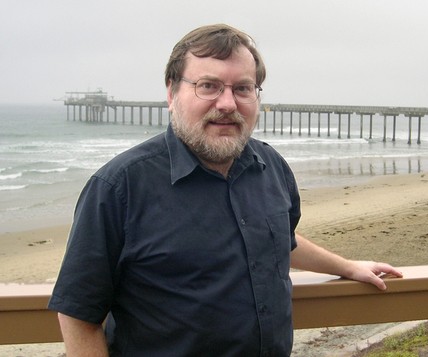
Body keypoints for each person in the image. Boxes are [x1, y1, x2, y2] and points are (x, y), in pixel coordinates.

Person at [49, 24, 403, 357]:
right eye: (209, 86)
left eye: (243, 88)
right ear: (172, 92)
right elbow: (79, 312)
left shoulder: (271, 167)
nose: (228, 104)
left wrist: (348, 267)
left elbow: (282, 238)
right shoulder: (118, 187)